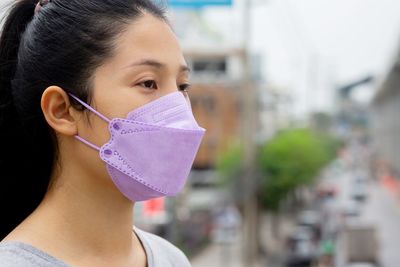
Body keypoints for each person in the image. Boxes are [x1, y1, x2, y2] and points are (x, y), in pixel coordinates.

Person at [0, 0, 205, 266]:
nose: (177, 108)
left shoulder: (171, 259)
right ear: (62, 110)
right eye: (148, 83)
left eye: (182, 85)